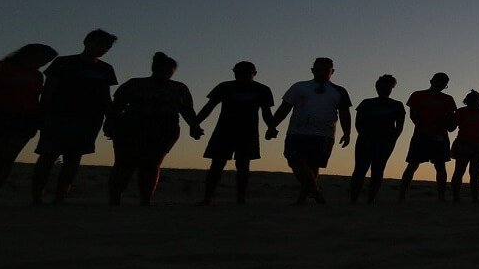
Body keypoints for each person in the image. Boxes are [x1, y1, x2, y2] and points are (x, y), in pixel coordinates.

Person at [32, 29, 118, 204]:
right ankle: (37, 197)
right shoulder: (63, 62)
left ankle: (60, 197)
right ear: (87, 42)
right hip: (58, 116)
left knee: (73, 158)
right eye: (100, 44)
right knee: (48, 156)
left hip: (88, 119)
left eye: (107, 47)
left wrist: (111, 118)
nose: (103, 49)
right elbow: (48, 90)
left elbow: (105, 97)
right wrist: (42, 114)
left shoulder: (105, 69)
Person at [107, 52, 202, 205]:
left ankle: (145, 200)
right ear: (154, 69)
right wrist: (110, 124)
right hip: (131, 128)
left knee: (151, 164)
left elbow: (187, 110)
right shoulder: (135, 84)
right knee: (124, 163)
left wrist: (194, 126)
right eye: (162, 70)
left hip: (164, 130)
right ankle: (115, 199)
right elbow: (117, 106)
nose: (165, 74)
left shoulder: (178, 88)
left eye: (169, 71)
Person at [268, 57, 352, 204]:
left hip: (324, 135)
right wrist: (272, 125)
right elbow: (284, 108)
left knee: (313, 167)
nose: (322, 73)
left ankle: (302, 199)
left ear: (332, 71)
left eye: (326, 70)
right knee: (295, 160)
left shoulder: (339, 91)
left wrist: (347, 133)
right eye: (319, 70)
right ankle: (316, 192)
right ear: (313, 70)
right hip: (297, 132)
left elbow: (345, 113)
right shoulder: (299, 87)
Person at [194, 61, 275, 205]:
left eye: (246, 73)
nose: (241, 76)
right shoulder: (225, 87)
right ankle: (207, 198)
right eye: (238, 73)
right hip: (224, 130)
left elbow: (266, 112)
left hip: (247, 132)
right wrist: (195, 123)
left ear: (254, 74)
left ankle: (241, 198)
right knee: (217, 164)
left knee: (243, 165)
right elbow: (209, 106)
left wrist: (271, 127)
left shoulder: (262, 90)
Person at [0, 44, 59, 199]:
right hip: (0, 116)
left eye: (46, 61)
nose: (42, 63)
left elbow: (36, 99)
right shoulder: (1, 67)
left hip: (24, 121)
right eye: (41, 59)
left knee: (7, 159)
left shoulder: (37, 76)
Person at [399, 73, 457, 203]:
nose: (441, 85)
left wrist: (446, 125)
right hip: (421, 135)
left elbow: (451, 119)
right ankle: (402, 196)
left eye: (444, 84)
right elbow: (413, 115)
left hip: (440, 136)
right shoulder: (418, 95)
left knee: (440, 166)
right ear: (432, 81)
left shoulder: (448, 99)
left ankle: (441, 197)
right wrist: (425, 129)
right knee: (413, 164)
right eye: (439, 82)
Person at [350, 75, 405, 203]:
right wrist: (364, 135)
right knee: (360, 169)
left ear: (392, 88)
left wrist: (392, 139)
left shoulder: (396, 105)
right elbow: (358, 122)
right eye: (381, 86)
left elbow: (400, 126)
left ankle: (371, 199)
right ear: (376, 87)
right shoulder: (366, 103)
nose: (384, 89)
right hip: (366, 139)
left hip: (385, 141)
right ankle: (354, 198)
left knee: (378, 169)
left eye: (388, 87)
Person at [451, 90, 479, 203]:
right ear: (467, 101)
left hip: (478, 145)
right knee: (460, 171)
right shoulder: (460, 112)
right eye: (472, 101)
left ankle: (474, 198)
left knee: (474, 172)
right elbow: (451, 127)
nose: (475, 103)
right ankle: (457, 197)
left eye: (477, 101)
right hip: (463, 143)